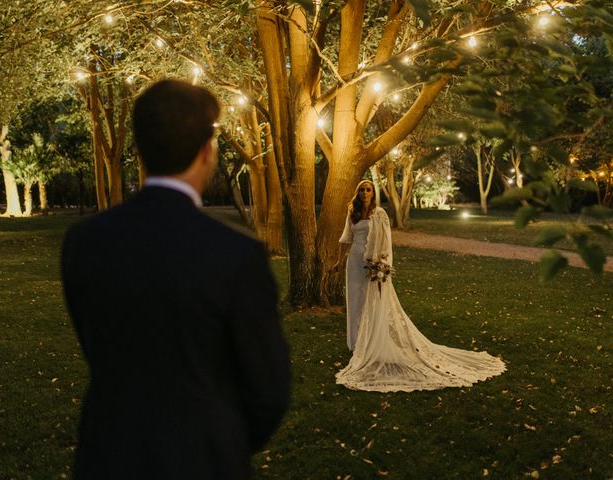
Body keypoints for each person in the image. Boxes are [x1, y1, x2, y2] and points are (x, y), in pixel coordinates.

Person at [61, 79, 290, 479]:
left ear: (140, 149)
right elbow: (269, 391)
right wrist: (217, 437)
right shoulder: (236, 255)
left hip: (107, 455)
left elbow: (93, 342)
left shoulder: (84, 242)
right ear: (207, 152)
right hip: (204, 461)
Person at [330, 179, 505, 392]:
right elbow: (345, 239)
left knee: (371, 302)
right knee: (355, 301)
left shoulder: (380, 214)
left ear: (373, 193)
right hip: (354, 263)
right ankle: (356, 343)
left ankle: (371, 343)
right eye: (362, 190)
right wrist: (340, 262)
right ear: (357, 193)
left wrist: (382, 264)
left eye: (368, 190)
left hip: (371, 262)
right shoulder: (352, 213)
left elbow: (386, 242)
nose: (365, 193)